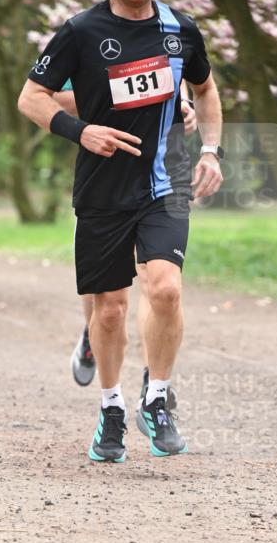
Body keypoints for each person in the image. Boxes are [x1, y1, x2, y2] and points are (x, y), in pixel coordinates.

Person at [18, 0, 223, 463]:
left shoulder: (181, 29)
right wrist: (79, 129)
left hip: (165, 184)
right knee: (108, 311)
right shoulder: (80, 31)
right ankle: (110, 410)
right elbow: (31, 97)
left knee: (166, 291)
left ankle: (156, 399)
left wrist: (211, 151)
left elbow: (204, 88)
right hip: (102, 190)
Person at [66, 81, 198, 404]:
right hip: (104, 180)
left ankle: (152, 379)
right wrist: (122, 101)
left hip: (160, 180)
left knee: (157, 281)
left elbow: (194, 82)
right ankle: (91, 333)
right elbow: (54, 99)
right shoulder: (85, 34)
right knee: (108, 298)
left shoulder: (173, 32)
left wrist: (184, 107)